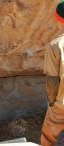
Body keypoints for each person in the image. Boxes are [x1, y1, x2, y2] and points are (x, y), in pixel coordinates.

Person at [41, 2, 64, 146]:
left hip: (62, 106)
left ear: (58, 18)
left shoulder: (56, 45)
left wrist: (52, 104)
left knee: (49, 138)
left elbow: (52, 82)